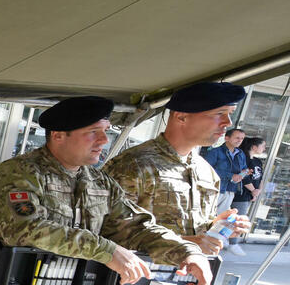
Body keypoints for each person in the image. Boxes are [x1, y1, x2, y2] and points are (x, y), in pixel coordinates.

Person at [0, 96, 211, 285]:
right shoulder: (19, 173)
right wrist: (106, 250)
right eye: (93, 132)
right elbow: (26, 230)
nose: (103, 140)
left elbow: (136, 227)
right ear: (58, 135)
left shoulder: (100, 182)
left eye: (106, 131)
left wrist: (187, 252)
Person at [103, 81, 251, 256]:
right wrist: (181, 243)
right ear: (182, 117)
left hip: (186, 277)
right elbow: (106, 233)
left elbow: (196, 229)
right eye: (219, 113)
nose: (228, 122)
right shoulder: (133, 165)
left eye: (230, 114)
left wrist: (217, 226)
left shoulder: (206, 172)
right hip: (134, 278)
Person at [228, 136, 266, 252]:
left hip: (250, 195)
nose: (264, 149)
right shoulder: (244, 159)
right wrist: (252, 190)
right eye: (263, 146)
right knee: (237, 219)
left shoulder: (258, 161)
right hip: (242, 194)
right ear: (254, 147)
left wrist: (257, 191)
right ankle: (232, 244)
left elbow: (260, 178)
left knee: (239, 219)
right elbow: (243, 177)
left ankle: (230, 241)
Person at [202, 128, 248, 216]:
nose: (240, 140)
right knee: (206, 215)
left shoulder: (241, 154)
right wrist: (230, 176)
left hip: (230, 190)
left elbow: (244, 169)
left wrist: (244, 173)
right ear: (226, 138)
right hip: (215, 189)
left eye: (242, 139)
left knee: (220, 219)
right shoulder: (215, 151)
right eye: (237, 138)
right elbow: (206, 170)